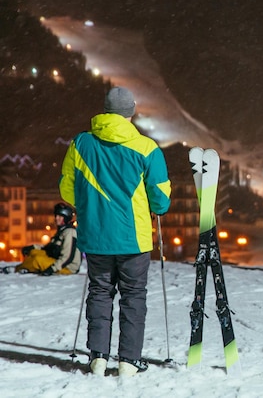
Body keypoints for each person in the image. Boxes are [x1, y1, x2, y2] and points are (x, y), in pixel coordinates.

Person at [59, 86, 171, 377]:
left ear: (106, 110)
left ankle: (97, 358)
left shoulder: (81, 143)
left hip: (95, 236)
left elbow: (67, 189)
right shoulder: (146, 148)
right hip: (133, 239)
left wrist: (91, 205)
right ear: (131, 112)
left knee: (99, 292)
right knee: (133, 297)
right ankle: (128, 361)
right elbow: (160, 200)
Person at [12, 203, 82, 275]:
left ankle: (17, 269)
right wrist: (33, 247)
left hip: (67, 267)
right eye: (56, 216)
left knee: (37, 259)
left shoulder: (70, 232)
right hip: (58, 261)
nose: (57, 218)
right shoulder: (62, 231)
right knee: (34, 252)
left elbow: (68, 257)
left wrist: (52, 269)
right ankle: (23, 267)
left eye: (60, 217)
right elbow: (49, 248)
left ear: (66, 218)